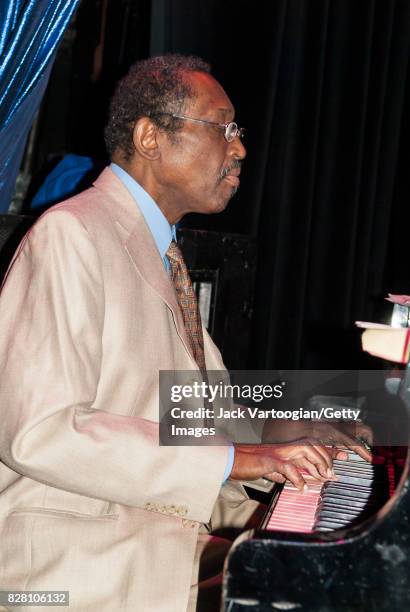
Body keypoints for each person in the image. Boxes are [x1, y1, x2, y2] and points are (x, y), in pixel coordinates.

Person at [0, 54, 371, 611]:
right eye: (224, 128)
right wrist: (240, 459)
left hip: (145, 554)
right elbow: (41, 431)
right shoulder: (71, 235)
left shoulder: (161, 256)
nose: (241, 148)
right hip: (68, 578)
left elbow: (188, 420)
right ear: (150, 136)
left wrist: (280, 439)